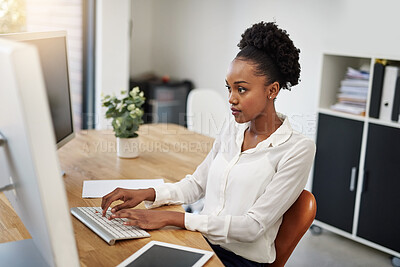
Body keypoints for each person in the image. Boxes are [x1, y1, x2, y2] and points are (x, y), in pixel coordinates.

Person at [101, 21, 316, 266]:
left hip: (239, 260)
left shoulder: (297, 149)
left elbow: (253, 226)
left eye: (242, 90)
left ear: (272, 90)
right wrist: (148, 193)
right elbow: (196, 184)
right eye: (229, 88)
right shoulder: (232, 128)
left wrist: (174, 218)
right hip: (201, 242)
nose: (231, 99)